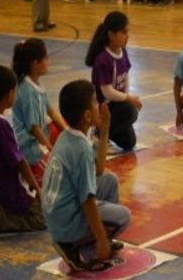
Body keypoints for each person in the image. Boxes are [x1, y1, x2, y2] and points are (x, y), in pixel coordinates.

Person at [43, 80, 130, 272]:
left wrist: (105, 130)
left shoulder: (69, 136)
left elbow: (98, 170)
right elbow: (87, 200)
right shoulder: (80, 149)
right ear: (87, 115)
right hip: (67, 222)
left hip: (57, 215)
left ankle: (89, 238)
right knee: (124, 217)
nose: (99, 105)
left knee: (110, 181)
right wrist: (101, 238)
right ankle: (77, 244)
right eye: (94, 101)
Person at [0, 65, 46, 238]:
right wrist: (38, 191)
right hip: (12, 198)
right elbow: (20, 162)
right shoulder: (0, 125)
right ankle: (9, 220)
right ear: (9, 95)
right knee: (48, 217)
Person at [11, 38, 68, 184]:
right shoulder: (27, 91)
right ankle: (33, 169)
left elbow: (51, 111)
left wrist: (67, 130)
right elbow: (33, 128)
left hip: (40, 135)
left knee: (66, 124)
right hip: (30, 146)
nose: (49, 62)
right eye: (46, 58)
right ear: (35, 64)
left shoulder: (36, 82)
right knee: (57, 176)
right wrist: (50, 150)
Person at [85, 11, 140, 152]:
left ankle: (107, 134)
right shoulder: (103, 59)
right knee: (131, 111)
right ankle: (98, 133)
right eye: (123, 32)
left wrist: (125, 97)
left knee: (130, 142)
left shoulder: (123, 51)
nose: (127, 36)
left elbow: (126, 75)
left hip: (116, 105)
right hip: (104, 107)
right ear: (110, 35)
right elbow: (107, 92)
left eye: (127, 32)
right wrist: (128, 99)